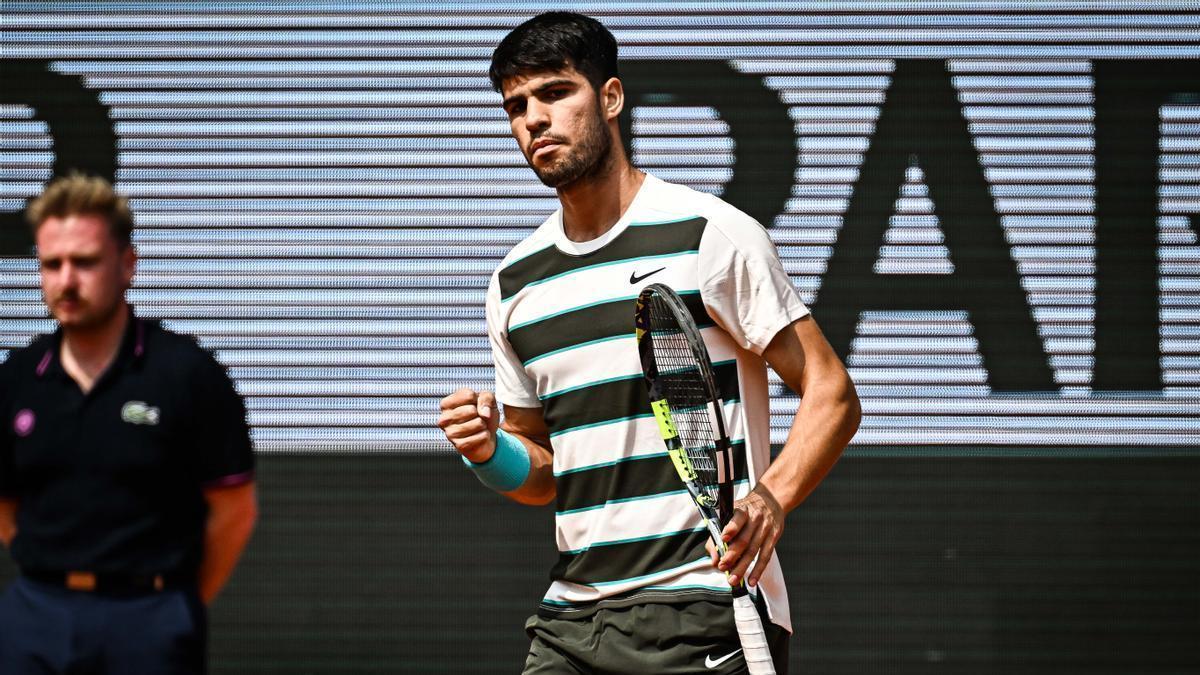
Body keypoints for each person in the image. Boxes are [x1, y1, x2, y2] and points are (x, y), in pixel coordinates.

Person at [437, 11, 860, 674]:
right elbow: (543, 473)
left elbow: (831, 391)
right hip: (571, 621)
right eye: (516, 105)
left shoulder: (709, 234)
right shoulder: (514, 283)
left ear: (610, 98)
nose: (534, 120)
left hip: (706, 606)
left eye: (555, 93)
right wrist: (490, 452)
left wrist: (771, 495)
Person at [0, 174, 258, 674]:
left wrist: (175, 604)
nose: (67, 281)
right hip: (35, 615)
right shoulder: (15, 380)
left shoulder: (188, 375)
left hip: (150, 620)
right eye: (53, 264)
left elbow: (233, 512)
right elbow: (4, 505)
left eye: (85, 262)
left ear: (128, 265)